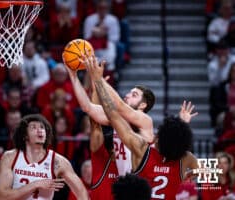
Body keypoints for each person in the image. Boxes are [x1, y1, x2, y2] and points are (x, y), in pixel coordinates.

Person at [84, 55, 199, 200]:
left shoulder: (143, 148)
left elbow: (114, 112)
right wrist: (188, 177)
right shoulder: (185, 158)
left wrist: (99, 81)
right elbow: (209, 174)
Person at [0, 114, 89, 200]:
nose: (40, 130)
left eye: (42, 127)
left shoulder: (58, 161)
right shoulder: (10, 157)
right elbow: (2, 196)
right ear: (25, 135)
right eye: (34, 127)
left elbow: (82, 193)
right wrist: (35, 184)